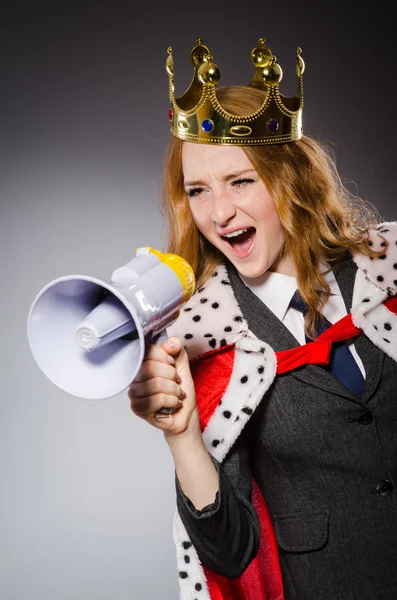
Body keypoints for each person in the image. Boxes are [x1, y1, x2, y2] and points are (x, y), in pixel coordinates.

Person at [128, 36, 397, 600]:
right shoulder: (211, 342)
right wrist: (183, 438)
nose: (219, 213)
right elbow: (228, 552)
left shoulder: (386, 273)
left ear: (291, 180)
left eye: (240, 180)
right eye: (197, 190)